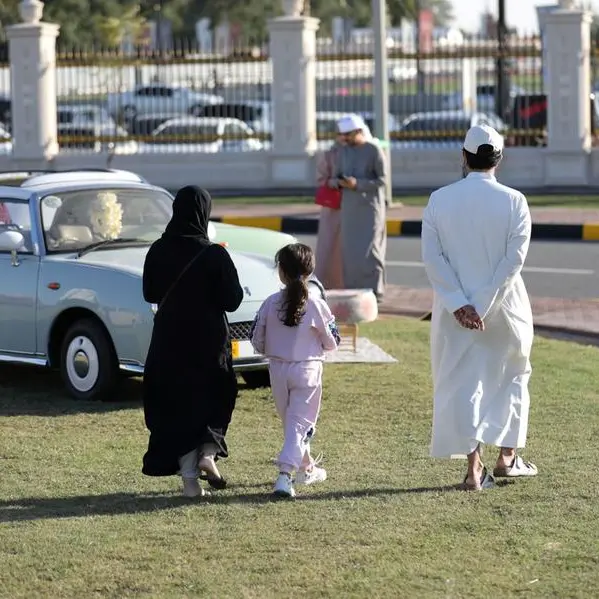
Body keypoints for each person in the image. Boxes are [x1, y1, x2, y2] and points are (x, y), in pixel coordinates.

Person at [421, 124, 538, 491]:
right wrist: (482, 306)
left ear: (464, 157)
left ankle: (474, 470)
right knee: (512, 376)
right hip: (506, 308)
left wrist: (461, 305)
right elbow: (512, 262)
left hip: (453, 314)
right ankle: (508, 458)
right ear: (499, 160)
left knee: (460, 383)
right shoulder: (515, 201)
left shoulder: (439, 199)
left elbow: (432, 259)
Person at [141, 185, 244, 498]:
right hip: (209, 342)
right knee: (216, 396)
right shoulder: (215, 254)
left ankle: (189, 481)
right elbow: (234, 300)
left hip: (169, 341)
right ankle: (208, 453)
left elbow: (150, 293)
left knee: (177, 405)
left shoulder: (158, 249)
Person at [250, 243, 341, 499]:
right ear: (310, 271)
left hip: (278, 370)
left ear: (281, 271)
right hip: (308, 370)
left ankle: (306, 468)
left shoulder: (269, 303)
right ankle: (284, 476)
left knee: (294, 425)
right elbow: (333, 340)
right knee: (299, 426)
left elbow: (256, 339)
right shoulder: (317, 304)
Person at [331, 113, 387, 302]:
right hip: (349, 208)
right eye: (343, 135)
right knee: (350, 251)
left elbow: (382, 180)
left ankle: (375, 291)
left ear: (359, 131)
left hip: (370, 207)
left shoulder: (374, 150)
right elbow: (333, 178)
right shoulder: (343, 151)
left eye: (348, 135)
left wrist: (358, 184)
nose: (344, 138)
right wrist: (340, 182)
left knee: (371, 251)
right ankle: (353, 290)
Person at [314, 132, 345, 289]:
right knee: (328, 246)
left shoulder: (357, 153)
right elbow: (321, 178)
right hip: (332, 208)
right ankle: (325, 283)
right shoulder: (328, 155)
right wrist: (336, 182)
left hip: (352, 206)